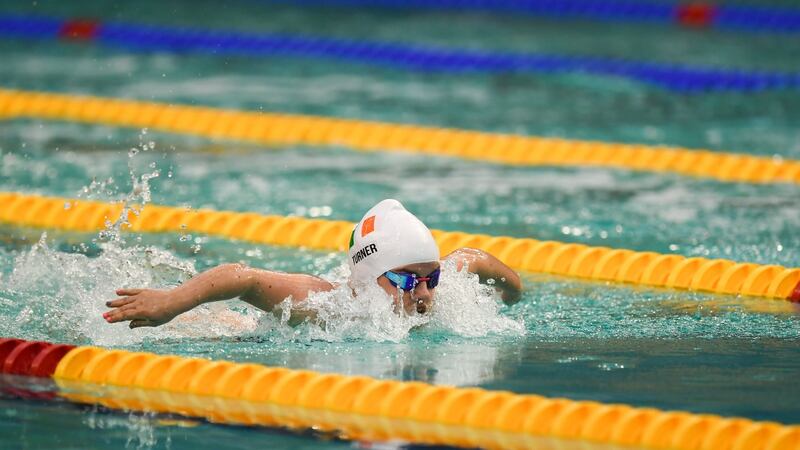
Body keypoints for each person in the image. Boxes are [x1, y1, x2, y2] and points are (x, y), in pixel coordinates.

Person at [103, 199, 522, 328]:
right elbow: (243, 278)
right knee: (226, 326)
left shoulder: (436, 292)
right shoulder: (328, 307)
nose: (427, 294)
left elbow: (473, 259)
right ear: (366, 278)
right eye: (408, 281)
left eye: (431, 278)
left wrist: (514, 292)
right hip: (260, 332)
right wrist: (172, 303)